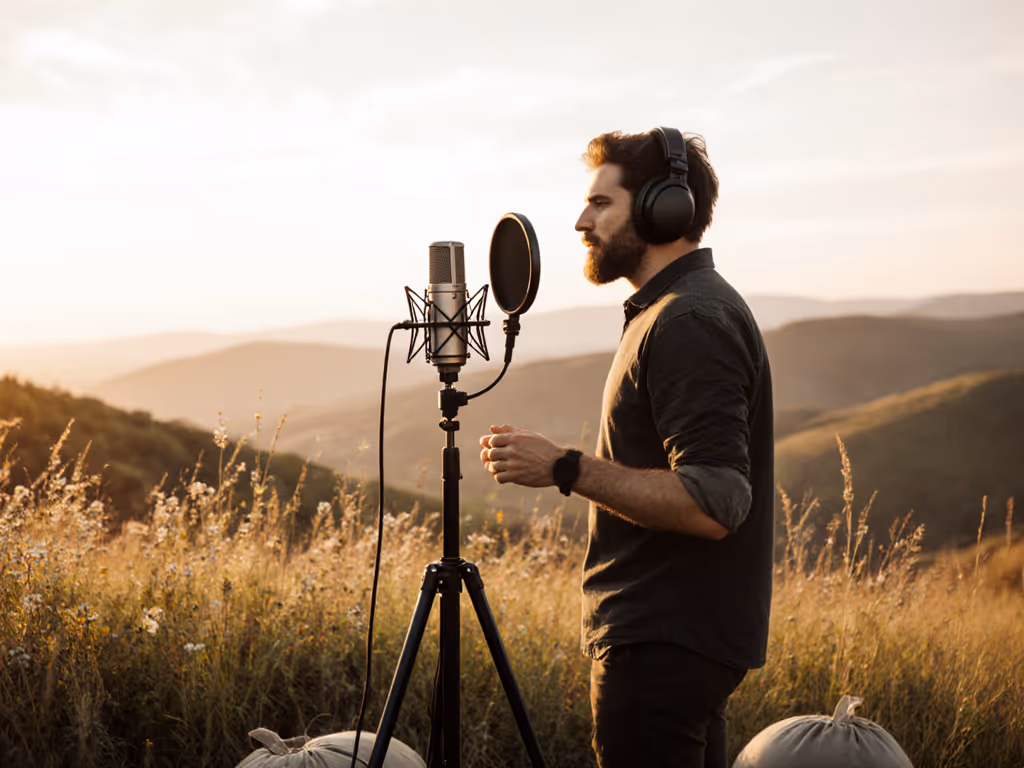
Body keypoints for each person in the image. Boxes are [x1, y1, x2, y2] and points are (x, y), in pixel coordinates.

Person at [477, 127, 774, 768]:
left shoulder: (689, 321)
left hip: (664, 644)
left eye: (601, 204)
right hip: (674, 639)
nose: (581, 221)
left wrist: (564, 467)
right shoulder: (669, 310)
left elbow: (714, 501)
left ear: (664, 209)